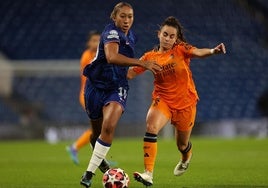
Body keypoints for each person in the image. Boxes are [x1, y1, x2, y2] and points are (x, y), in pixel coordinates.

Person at [127, 16, 226, 186]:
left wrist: (212, 51)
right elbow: (130, 73)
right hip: (163, 100)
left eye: (172, 36)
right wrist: (111, 68)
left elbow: (198, 52)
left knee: (181, 144)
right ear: (159, 34)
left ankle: (186, 157)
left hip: (186, 103)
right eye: (165, 34)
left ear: (176, 38)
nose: (168, 39)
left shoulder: (181, 49)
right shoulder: (149, 57)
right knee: (151, 126)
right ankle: (148, 174)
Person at [80, 2, 162, 188]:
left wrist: (133, 70)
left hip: (117, 87)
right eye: (123, 16)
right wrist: (142, 64)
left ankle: (88, 174)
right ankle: (99, 158)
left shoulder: (131, 36)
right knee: (96, 133)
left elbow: (122, 64)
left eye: (130, 16)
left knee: (109, 127)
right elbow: (112, 57)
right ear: (114, 17)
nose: (126, 20)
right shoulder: (110, 33)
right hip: (95, 86)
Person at [66, 31, 101, 165]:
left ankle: (97, 156)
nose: (96, 43)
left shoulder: (98, 54)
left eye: (99, 40)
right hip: (87, 95)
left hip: (95, 94)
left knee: (100, 128)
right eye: (94, 40)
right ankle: (76, 148)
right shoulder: (87, 56)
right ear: (88, 43)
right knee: (99, 128)